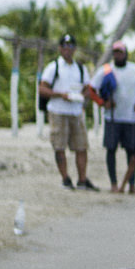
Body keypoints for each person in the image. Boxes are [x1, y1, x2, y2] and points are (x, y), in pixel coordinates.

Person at [37, 33, 97, 190]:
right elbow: (42, 88)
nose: (67, 50)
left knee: (81, 146)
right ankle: (65, 179)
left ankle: (82, 180)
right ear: (60, 48)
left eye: (70, 47)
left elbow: (88, 89)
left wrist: (82, 96)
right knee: (59, 146)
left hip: (76, 112)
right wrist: (60, 95)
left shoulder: (80, 68)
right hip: (58, 111)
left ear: (75, 49)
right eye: (64, 46)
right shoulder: (53, 67)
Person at [95, 40, 135, 193]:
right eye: (116, 52)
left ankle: (131, 184)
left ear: (126, 53)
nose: (118, 55)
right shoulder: (105, 70)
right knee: (111, 150)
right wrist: (102, 103)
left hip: (131, 118)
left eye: (121, 52)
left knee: (132, 151)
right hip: (112, 118)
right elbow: (92, 89)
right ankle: (113, 183)